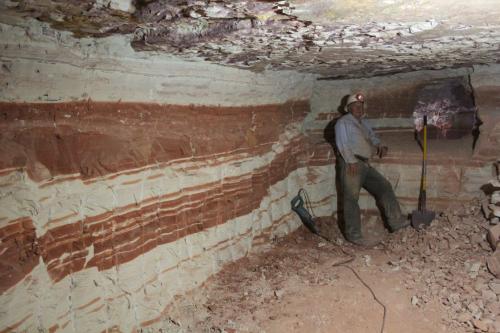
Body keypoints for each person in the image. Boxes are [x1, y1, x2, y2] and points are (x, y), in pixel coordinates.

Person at [334, 92, 409, 246]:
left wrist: (380, 145)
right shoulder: (343, 123)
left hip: (364, 164)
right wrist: (350, 161)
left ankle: (396, 222)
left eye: (361, 106)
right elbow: (342, 143)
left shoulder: (363, 122)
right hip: (351, 163)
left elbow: (372, 136)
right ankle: (354, 235)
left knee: (384, 187)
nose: (359, 109)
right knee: (351, 198)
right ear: (348, 108)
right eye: (355, 106)